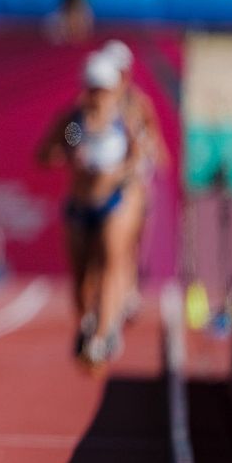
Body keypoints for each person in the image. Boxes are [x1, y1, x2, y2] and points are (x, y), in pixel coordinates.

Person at [36, 53, 145, 366]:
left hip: (112, 203)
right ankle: (87, 322)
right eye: (93, 88)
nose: (98, 95)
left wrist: (117, 175)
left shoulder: (124, 120)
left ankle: (103, 333)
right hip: (80, 205)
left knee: (111, 262)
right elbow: (50, 152)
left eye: (104, 88)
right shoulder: (74, 122)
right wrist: (70, 157)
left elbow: (138, 156)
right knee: (82, 275)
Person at [100, 39, 167, 322]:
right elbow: (74, 129)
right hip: (100, 180)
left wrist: (151, 155)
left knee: (132, 239)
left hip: (132, 179)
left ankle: (127, 290)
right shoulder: (94, 101)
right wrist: (73, 145)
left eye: (119, 71)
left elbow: (153, 137)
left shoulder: (139, 103)